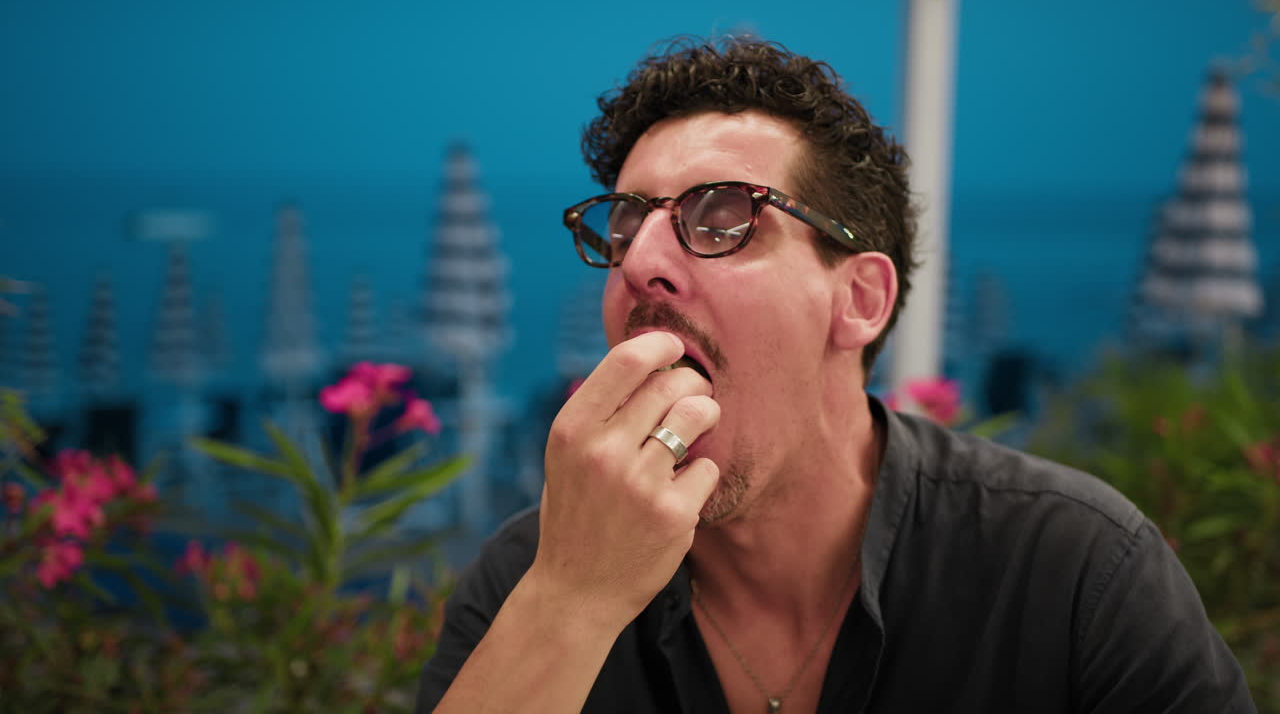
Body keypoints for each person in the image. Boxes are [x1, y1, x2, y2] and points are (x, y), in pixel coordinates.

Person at [416, 38, 1254, 713]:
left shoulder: (1073, 573)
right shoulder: (531, 578)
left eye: (723, 219)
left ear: (859, 301)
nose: (639, 263)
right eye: (626, 226)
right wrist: (570, 602)